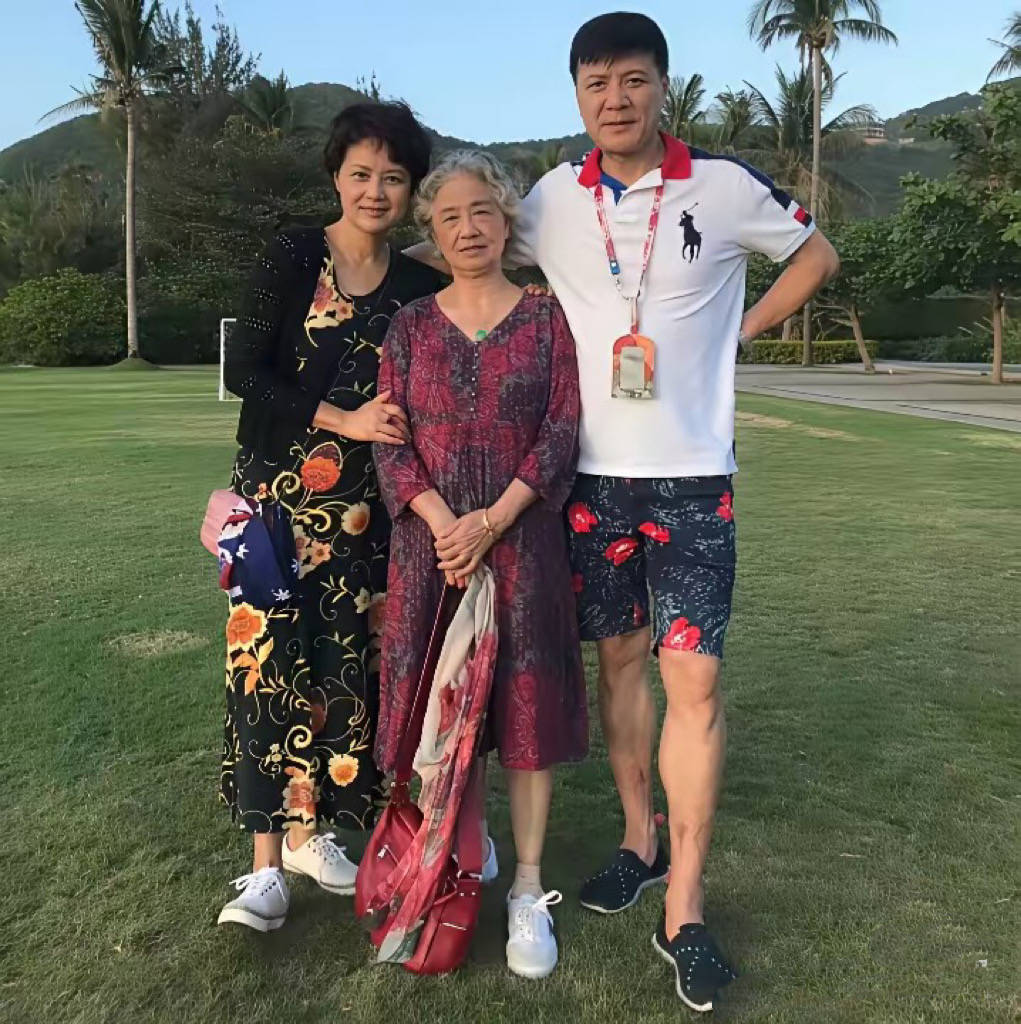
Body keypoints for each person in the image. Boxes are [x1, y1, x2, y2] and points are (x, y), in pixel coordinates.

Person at [410, 11, 839, 1012]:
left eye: (633, 79)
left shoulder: (723, 185)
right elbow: (466, 241)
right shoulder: (553, 197)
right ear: (576, 95)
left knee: (694, 680)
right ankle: (639, 841)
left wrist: (738, 332)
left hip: (692, 481)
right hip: (588, 482)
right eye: (596, 82)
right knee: (617, 668)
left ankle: (683, 905)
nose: (615, 98)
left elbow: (814, 255)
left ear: (662, 87)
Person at [216, 101, 446, 932]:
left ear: (411, 190)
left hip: (366, 521)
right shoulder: (292, 255)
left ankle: (314, 834)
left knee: (344, 671)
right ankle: (265, 872)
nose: (375, 190)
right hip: (273, 509)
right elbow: (244, 371)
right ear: (335, 177)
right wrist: (342, 420)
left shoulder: (417, 286)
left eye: (394, 177)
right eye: (361, 174)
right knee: (266, 669)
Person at [373, 150, 586, 980]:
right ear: (432, 232)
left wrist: (492, 521)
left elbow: (562, 429)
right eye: (450, 217)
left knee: (526, 721)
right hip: (430, 553)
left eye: (481, 213)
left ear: (505, 222)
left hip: (523, 544)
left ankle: (527, 887)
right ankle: (453, 859)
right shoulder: (409, 327)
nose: (467, 229)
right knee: (439, 713)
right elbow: (390, 445)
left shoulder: (545, 319)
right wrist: (443, 524)